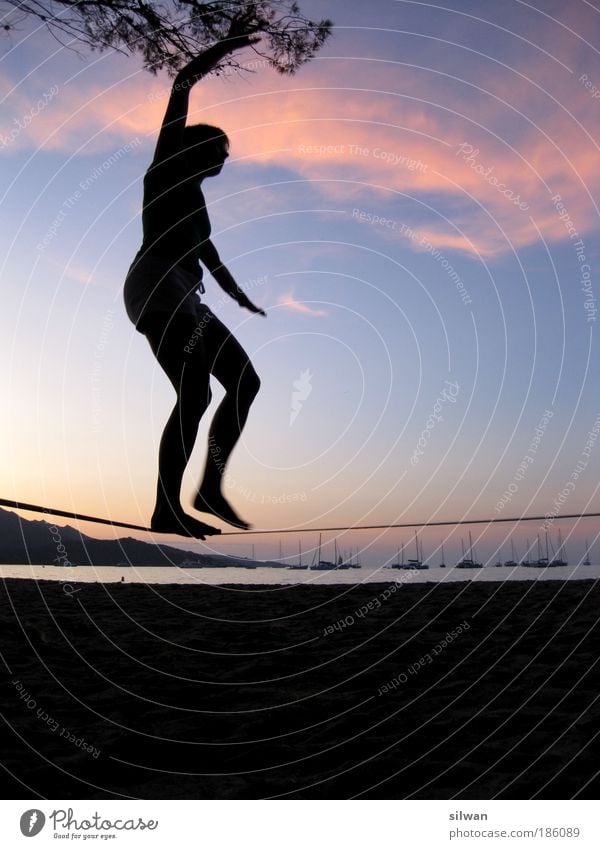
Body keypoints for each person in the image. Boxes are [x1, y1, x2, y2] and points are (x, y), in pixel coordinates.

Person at [123, 30, 265, 538]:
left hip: (186, 293)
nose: (226, 158)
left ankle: (209, 488)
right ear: (198, 148)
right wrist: (228, 45)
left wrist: (240, 297)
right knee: (195, 393)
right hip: (156, 285)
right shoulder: (164, 171)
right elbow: (182, 81)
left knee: (245, 381)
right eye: (220, 149)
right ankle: (166, 507)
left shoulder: (199, 205)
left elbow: (211, 254)